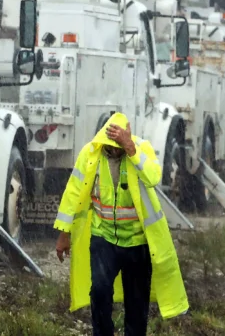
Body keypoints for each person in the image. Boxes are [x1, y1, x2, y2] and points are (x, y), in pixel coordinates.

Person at [53, 112, 188, 336]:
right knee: (99, 291)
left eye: (119, 145)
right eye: (111, 146)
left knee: (137, 306)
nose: (115, 150)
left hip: (138, 242)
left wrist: (131, 149)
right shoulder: (90, 154)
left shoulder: (140, 148)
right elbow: (73, 193)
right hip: (104, 238)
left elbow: (153, 177)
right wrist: (63, 233)